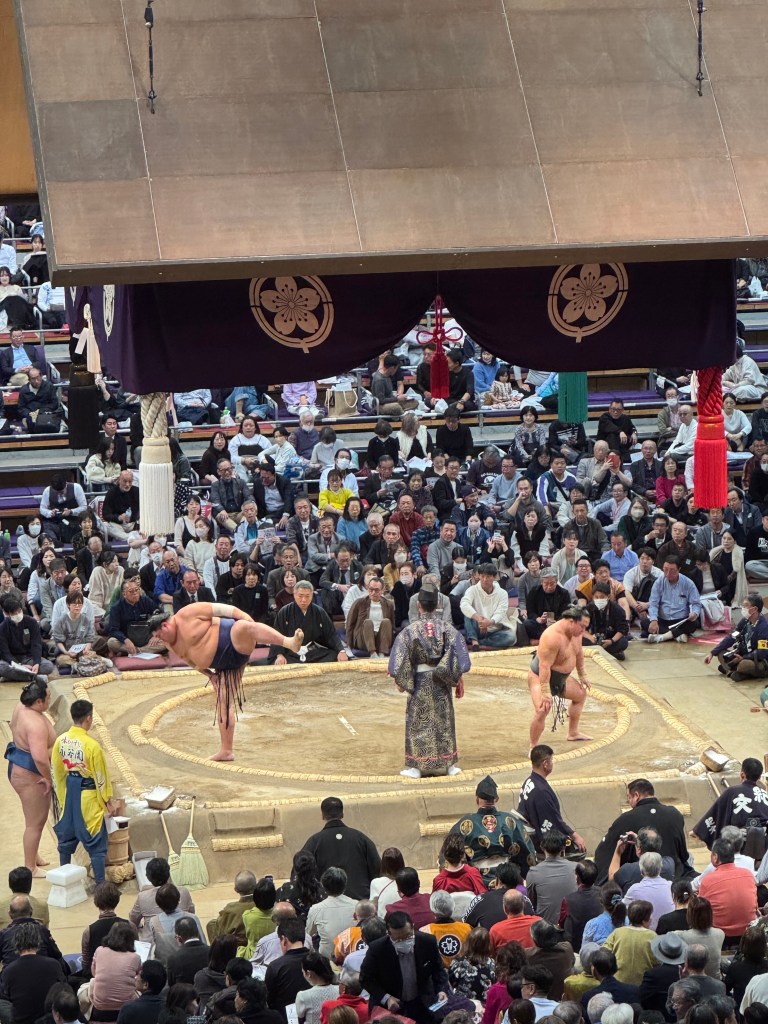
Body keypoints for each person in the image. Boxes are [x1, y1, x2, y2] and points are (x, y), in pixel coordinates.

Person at [150, 601, 304, 761]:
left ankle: (289, 642)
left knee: (242, 627)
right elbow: (189, 660)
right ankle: (226, 751)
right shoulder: (169, 643)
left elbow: (223, 609)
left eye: (159, 636)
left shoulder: (187, 613)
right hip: (224, 665)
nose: (161, 640)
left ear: (165, 625)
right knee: (224, 702)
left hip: (235, 641)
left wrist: (245, 618)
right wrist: (210, 675)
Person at [388, 584, 470, 778]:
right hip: (441, 682)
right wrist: (455, 676)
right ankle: (450, 765)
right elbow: (460, 656)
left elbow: (399, 661)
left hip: (420, 681)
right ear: (437, 605)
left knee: (419, 721)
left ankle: (416, 767)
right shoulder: (447, 629)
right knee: (444, 720)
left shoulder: (409, 631)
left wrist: (402, 681)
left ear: (419, 606)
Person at [51, 698, 117, 884]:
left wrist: (62, 796)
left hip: (69, 794)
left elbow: (56, 772)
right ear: (89, 718)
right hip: (87, 796)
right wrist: (107, 802)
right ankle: (101, 887)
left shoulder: (60, 741)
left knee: (66, 842)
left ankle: (63, 881)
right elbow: (100, 777)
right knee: (96, 844)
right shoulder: (92, 746)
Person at [593, 779, 691, 887]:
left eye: (629, 797)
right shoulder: (675, 814)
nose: (629, 801)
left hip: (639, 877)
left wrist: (617, 852)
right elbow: (683, 854)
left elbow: (604, 854)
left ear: (636, 795)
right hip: (674, 875)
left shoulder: (626, 819)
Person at [360, 910, 449, 1024]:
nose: (404, 941)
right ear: (389, 934)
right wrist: (386, 998)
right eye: (398, 939)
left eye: (408, 936)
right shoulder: (377, 949)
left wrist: (441, 990)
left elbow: (438, 970)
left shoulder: (427, 941)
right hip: (391, 1007)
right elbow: (365, 979)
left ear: (412, 927)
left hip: (422, 1003)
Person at [4, 680, 55, 875]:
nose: (50, 700)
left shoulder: (21, 707)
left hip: (19, 765)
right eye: (48, 698)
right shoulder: (34, 723)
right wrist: (48, 777)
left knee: (36, 821)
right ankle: (30, 867)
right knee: (35, 822)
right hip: (30, 774)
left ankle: (33, 856)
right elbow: (40, 758)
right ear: (39, 702)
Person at [526, 609, 592, 747]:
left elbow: (579, 653)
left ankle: (573, 733)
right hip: (540, 676)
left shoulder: (577, 633)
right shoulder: (551, 637)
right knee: (542, 709)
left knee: (580, 694)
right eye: (582, 626)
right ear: (571, 622)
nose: (584, 630)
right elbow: (544, 666)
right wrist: (545, 692)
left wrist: (582, 675)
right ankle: (534, 746)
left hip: (561, 678)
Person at [300, 797, 381, 902]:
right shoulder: (360, 838)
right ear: (342, 814)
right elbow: (376, 868)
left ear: (323, 815)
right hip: (360, 901)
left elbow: (302, 870)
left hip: (326, 902)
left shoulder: (314, 841)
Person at [519, 746, 587, 853]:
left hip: (528, 836)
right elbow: (553, 821)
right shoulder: (541, 791)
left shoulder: (529, 781)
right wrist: (575, 836)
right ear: (545, 763)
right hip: (538, 844)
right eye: (551, 760)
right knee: (574, 847)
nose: (552, 763)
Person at [691, 757, 768, 847]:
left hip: (738, 844)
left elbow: (716, 812)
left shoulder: (732, 791)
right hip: (763, 844)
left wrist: (698, 831)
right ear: (759, 777)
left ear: (742, 775)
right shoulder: (765, 795)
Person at [0, 921, 66, 1024]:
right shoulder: (53, 964)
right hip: (48, 1019)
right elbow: (63, 988)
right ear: (38, 941)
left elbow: (6, 996)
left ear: (16, 943)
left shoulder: (9, 971)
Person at [269, 581, 347, 665]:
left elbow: (330, 634)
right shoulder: (284, 611)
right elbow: (277, 635)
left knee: (334, 655)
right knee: (280, 661)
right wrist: (279, 655)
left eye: (307, 596)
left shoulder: (319, 611)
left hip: (312, 652)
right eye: (300, 596)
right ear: (294, 595)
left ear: (312, 595)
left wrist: (341, 651)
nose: (304, 600)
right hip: (291, 652)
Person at [697, 841, 758, 941]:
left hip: (720, 936)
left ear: (715, 857)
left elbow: (700, 910)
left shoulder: (708, 880)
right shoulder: (748, 874)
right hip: (748, 933)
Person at [705, 593, 768, 681]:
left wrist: (744, 657)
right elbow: (732, 637)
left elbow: (762, 652)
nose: (743, 609)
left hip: (758, 660)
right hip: (741, 655)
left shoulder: (764, 627)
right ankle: (733, 672)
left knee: (744, 665)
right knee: (721, 653)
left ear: (755, 609)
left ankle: (734, 670)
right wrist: (712, 652)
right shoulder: (745, 621)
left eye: (746, 606)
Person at [460, 564, 519, 651]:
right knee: (468, 614)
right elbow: (464, 604)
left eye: (488, 577)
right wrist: (479, 619)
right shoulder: (472, 590)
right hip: (477, 626)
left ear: (494, 577)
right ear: (479, 576)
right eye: (482, 576)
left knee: (511, 637)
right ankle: (474, 641)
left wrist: (490, 622)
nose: (484, 579)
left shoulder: (502, 593)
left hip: (494, 629)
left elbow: (501, 612)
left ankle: (481, 643)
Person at [525, 833, 578, 927]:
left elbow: (532, 903)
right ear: (563, 848)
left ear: (542, 847)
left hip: (545, 928)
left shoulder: (533, 872)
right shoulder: (576, 868)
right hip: (572, 925)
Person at [646, 556, 701, 644]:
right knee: (645, 622)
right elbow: (653, 604)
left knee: (694, 623)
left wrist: (694, 613)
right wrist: (654, 620)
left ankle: (663, 637)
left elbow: (696, 604)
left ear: (679, 569)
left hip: (680, 621)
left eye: (671, 570)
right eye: (665, 570)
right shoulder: (659, 582)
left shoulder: (688, 583)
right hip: (663, 620)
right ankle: (677, 635)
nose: (667, 574)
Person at [345, 576, 395, 659]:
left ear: (382, 590)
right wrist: (349, 646)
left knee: (386, 621)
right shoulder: (359, 603)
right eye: (370, 589)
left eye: (376, 590)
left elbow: (392, 625)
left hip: (381, 638)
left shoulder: (388, 604)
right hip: (364, 638)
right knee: (368, 622)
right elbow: (350, 624)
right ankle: (373, 653)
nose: (373, 592)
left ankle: (382, 653)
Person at [561, 861, 603, 951]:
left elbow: (561, 922)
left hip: (577, 946)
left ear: (577, 877)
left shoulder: (568, 900)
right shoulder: (603, 893)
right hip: (599, 942)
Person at [583, 583, 629, 661]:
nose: (599, 599)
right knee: (578, 639)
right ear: (593, 597)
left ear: (608, 597)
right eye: (596, 597)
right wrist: (590, 636)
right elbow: (581, 627)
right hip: (593, 639)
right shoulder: (588, 608)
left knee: (623, 642)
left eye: (602, 597)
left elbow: (622, 629)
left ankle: (599, 652)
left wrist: (611, 641)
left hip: (611, 639)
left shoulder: (617, 609)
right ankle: (612, 653)